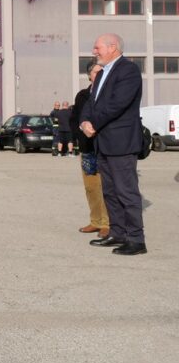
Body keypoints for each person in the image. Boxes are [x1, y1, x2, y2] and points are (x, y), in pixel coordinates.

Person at [81, 33, 146, 255]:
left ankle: (136, 240)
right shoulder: (100, 75)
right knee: (109, 191)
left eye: (97, 47)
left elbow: (118, 104)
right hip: (103, 142)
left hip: (122, 142)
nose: (93, 51)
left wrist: (94, 124)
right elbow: (91, 102)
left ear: (113, 47)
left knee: (126, 191)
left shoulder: (128, 70)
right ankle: (117, 234)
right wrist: (84, 122)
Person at [71, 62, 109, 238]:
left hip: (106, 147)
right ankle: (96, 221)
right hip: (87, 148)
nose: (100, 74)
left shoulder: (109, 94)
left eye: (102, 72)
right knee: (91, 187)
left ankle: (108, 223)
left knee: (106, 187)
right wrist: (78, 138)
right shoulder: (83, 95)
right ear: (89, 75)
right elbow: (75, 119)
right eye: (96, 72)